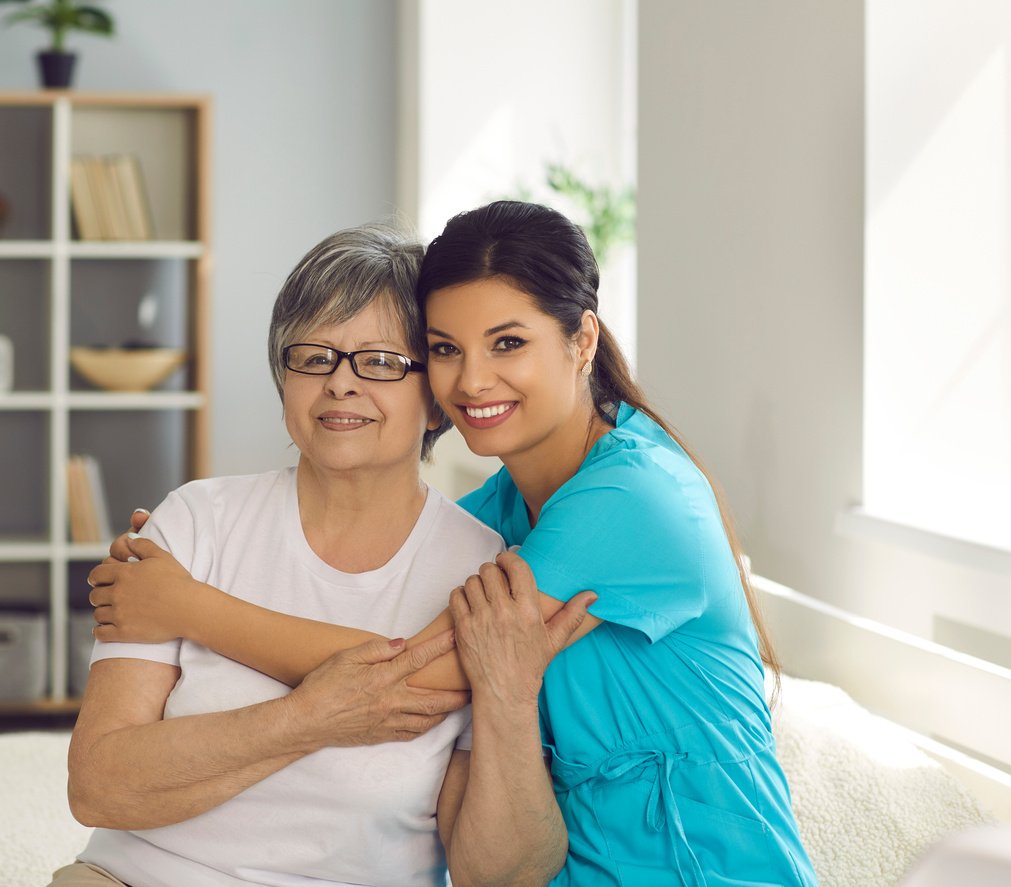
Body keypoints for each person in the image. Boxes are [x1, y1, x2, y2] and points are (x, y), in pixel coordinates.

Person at [94, 201, 819, 885]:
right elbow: (409, 576)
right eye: (445, 348)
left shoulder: (636, 498)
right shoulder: (496, 520)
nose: (471, 379)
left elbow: (410, 680)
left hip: (698, 869)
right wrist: (167, 553)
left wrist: (185, 605)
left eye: (507, 343)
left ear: (582, 340)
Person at [54, 220, 593, 887]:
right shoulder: (192, 523)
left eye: (380, 361)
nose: (340, 383)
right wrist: (305, 718)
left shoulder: (479, 574)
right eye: (313, 356)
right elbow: (99, 786)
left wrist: (509, 698)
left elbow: (502, 875)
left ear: (435, 402)